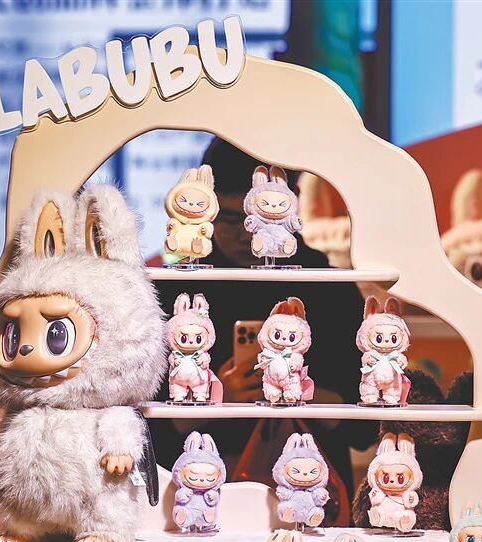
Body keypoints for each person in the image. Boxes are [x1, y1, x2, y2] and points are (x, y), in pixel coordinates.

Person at [152, 138, 376, 497]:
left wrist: (301, 392)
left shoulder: (329, 286)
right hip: (201, 490)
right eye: (228, 219)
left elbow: (365, 428)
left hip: (313, 490)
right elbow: (148, 428)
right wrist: (214, 398)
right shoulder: (176, 287)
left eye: (265, 217)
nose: (248, 234)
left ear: (293, 201)